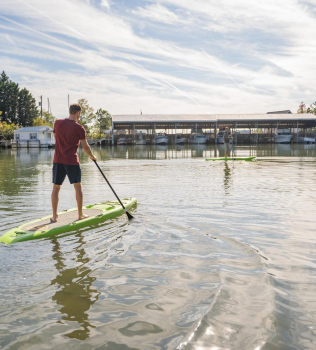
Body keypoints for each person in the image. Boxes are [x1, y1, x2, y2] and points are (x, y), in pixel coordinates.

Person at [51, 103, 97, 222]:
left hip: (57, 160)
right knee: (78, 187)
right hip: (71, 161)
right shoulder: (79, 128)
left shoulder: (57, 123)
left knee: (56, 187)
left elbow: (56, 136)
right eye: (80, 114)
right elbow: (85, 147)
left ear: (69, 111)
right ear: (77, 113)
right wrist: (92, 156)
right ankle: (80, 214)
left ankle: (55, 216)